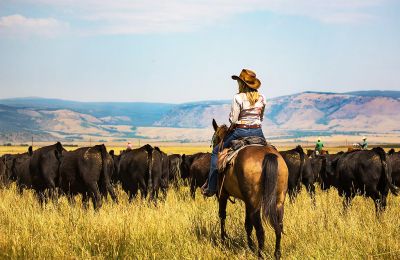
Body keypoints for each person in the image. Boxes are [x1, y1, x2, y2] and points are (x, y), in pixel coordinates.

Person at [202, 69, 267, 197]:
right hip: (258, 131)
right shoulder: (262, 98)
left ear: (241, 83)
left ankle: (211, 187)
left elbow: (234, 119)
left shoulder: (238, 97)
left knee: (216, 151)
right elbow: (261, 117)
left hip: (241, 131)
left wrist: (232, 125)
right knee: (269, 149)